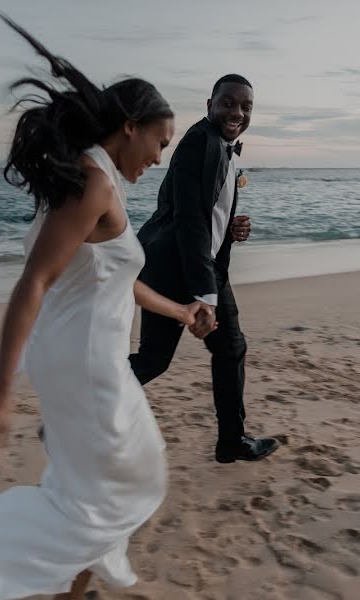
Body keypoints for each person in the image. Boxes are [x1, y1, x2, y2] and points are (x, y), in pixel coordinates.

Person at [0, 8, 209, 600]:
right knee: (131, 482)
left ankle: (70, 592)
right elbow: (33, 281)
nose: (160, 157)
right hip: (89, 369)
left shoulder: (95, 177)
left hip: (80, 361)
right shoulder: (95, 182)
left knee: (98, 492)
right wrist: (2, 398)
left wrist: (182, 312)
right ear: (131, 126)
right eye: (160, 142)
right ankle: (6, 571)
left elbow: (116, 282)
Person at [129, 74, 280, 464]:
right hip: (182, 268)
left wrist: (230, 229)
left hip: (197, 264)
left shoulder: (218, 144)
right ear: (210, 103)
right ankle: (76, 411)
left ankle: (232, 440)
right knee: (154, 360)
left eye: (246, 106)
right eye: (228, 103)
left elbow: (203, 213)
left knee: (228, 348)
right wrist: (204, 294)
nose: (237, 112)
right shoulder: (202, 142)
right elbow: (189, 221)